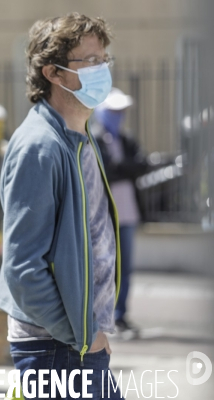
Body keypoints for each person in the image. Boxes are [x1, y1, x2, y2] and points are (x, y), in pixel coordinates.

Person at [0, 14, 124, 398]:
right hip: (56, 346)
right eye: (92, 61)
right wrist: (85, 334)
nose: (103, 69)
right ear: (54, 72)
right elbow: (22, 268)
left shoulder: (80, 137)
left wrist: (91, 332)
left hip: (73, 343)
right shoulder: (41, 146)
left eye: (105, 59)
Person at [93, 88, 149, 337]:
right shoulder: (94, 138)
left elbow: (142, 165)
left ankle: (120, 314)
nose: (119, 116)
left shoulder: (126, 141)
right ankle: (103, 314)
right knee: (106, 266)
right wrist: (124, 168)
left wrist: (121, 168)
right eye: (114, 112)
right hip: (105, 216)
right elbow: (106, 171)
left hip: (128, 215)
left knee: (125, 268)